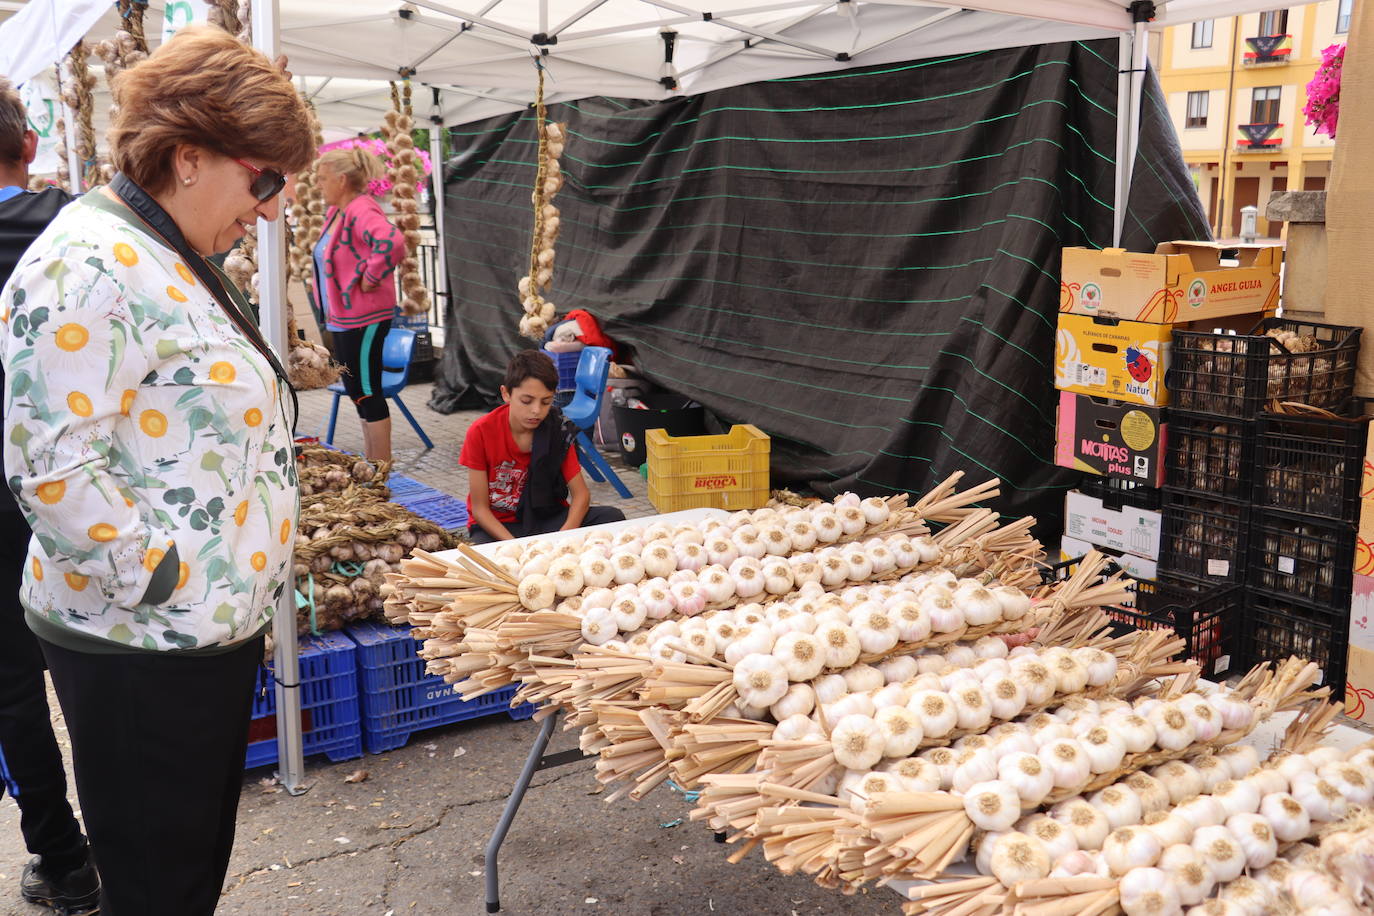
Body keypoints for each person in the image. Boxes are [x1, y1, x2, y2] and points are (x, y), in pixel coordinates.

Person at [0, 28, 310, 916]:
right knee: (157, 888)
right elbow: (50, 465)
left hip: (197, 627)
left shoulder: (163, 248)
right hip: (144, 639)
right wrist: (160, 577)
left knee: (185, 875)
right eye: (264, 179)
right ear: (186, 157)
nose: (271, 206)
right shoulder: (87, 263)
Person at [0, 75, 99, 916]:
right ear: (29, 146)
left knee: (12, 688)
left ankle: (66, 863)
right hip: (81, 486)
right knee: (99, 659)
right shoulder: (81, 225)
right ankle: (131, 839)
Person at [462, 350, 626, 543]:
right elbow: (480, 509)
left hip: (547, 520)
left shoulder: (557, 429)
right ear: (506, 394)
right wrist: (516, 545)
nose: (536, 411)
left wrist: (562, 538)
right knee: (484, 554)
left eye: (546, 402)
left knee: (611, 518)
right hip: (500, 526)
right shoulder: (481, 432)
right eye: (526, 401)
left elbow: (581, 495)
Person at [311, 146, 405, 462]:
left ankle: (381, 469)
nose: (318, 185)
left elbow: (392, 241)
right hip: (344, 318)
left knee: (367, 390)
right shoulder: (338, 212)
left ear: (341, 179)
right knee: (357, 392)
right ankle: (373, 464)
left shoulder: (361, 209)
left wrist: (369, 276)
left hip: (363, 317)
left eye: (322, 179)